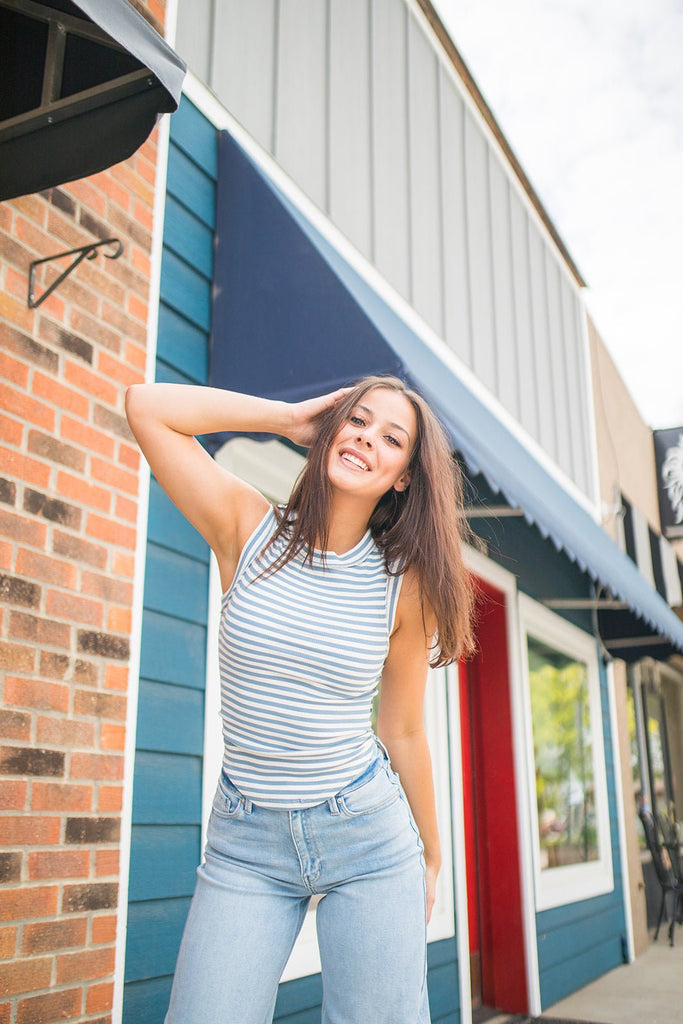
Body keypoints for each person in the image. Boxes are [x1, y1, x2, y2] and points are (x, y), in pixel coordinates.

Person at [125, 374, 476, 1024]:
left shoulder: (403, 588)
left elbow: (401, 730)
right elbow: (147, 407)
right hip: (245, 843)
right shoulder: (245, 526)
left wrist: (430, 854)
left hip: (367, 840)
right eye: (357, 421)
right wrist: (285, 417)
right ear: (331, 428)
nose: (367, 439)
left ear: (404, 475)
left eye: (390, 438)